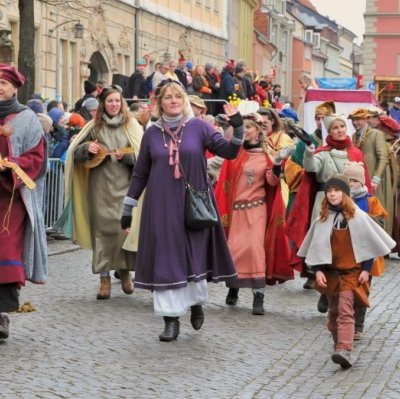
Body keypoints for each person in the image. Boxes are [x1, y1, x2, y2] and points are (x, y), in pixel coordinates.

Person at [120, 81, 244, 342]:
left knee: (192, 257)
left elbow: (230, 151)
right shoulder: (152, 133)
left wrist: (238, 125)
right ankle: (171, 319)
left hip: (193, 205)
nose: (174, 100)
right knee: (166, 259)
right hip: (161, 207)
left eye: (178, 96)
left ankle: (195, 303)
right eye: (168, 97)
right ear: (159, 102)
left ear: (184, 100)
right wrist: (128, 207)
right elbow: (141, 173)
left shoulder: (199, 127)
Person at [298, 174, 395, 369]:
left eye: (337, 191)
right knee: (333, 315)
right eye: (330, 191)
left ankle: (344, 348)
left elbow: (367, 244)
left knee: (345, 310)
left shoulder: (358, 217)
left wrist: (366, 270)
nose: (333, 194)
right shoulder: (322, 219)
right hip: (331, 274)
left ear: (345, 194)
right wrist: (317, 271)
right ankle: (338, 346)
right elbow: (316, 247)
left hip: (351, 273)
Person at [56, 84, 143, 300]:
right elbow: (74, 154)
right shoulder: (93, 127)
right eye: (109, 101)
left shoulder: (131, 126)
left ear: (122, 103)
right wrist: (88, 150)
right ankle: (104, 279)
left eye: (117, 101)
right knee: (102, 232)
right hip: (99, 187)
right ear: (103, 104)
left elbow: (144, 156)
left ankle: (124, 273)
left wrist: (129, 157)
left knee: (123, 231)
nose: (113, 105)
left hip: (126, 187)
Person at [215, 113, 293, 315]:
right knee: (234, 249)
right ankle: (233, 287)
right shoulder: (235, 155)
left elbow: (272, 182)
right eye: (245, 127)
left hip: (257, 209)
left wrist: (276, 164)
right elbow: (225, 183)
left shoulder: (267, 156)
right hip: (236, 211)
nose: (247, 130)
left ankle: (259, 296)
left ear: (259, 131)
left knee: (255, 249)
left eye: (250, 127)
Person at [286, 114, 371, 287]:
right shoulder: (323, 153)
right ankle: (322, 280)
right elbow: (310, 167)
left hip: (350, 202)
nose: (339, 130)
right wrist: (309, 147)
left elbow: (364, 181)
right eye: (335, 128)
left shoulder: (355, 153)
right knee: (326, 242)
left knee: (345, 243)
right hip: (325, 201)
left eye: (342, 127)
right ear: (329, 132)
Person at [0, 64, 47, 340]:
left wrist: (12, 165)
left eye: (3, 83)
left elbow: (38, 158)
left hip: (11, 200)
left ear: (15, 87)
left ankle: (1, 315)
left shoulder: (27, 119)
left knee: (6, 253)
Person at [343, 161, 388, 340]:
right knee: (341, 285)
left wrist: (363, 218)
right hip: (344, 252)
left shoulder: (371, 201)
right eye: (348, 180)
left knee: (362, 289)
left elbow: (381, 223)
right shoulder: (339, 200)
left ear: (362, 182)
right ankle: (344, 320)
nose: (351, 184)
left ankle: (358, 325)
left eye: (354, 180)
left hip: (365, 255)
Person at [348, 108, 392, 236]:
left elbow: (383, 157)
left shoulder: (376, 134)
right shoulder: (353, 136)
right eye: (353, 120)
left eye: (358, 120)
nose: (355, 123)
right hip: (360, 181)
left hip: (373, 180)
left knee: (375, 210)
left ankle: (380, 240)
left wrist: (376, 179)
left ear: (366, 119)